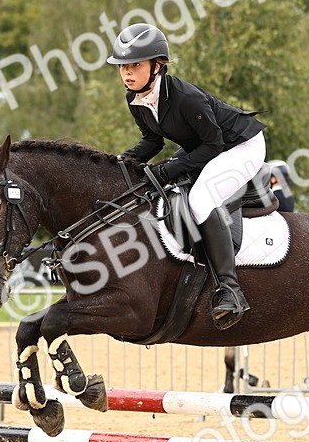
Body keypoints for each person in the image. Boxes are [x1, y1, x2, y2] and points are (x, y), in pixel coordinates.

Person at [109, 23, 267, 329]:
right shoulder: (135, 99)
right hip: (207, 146)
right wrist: (124, 161)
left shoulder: (186, 98)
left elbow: (215, 144)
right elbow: (152, 141)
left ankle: (230, 290)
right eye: (123, 67)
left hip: (241, 147)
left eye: (135, 65)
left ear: (158, 66)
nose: (127, 73)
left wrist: (168, 168)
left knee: (200, 199)